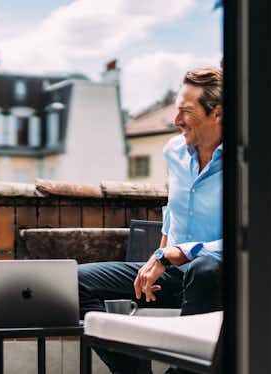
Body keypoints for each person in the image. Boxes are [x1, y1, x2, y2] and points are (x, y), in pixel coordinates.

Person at [78, 67, 223, 374]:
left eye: (186, 111)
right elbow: (173, 213)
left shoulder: (247, 160)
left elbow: (249, 237)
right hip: (174, 274)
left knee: (204, 267)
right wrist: (157, 258)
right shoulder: (174, 152)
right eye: (176, 111)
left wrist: (177, 253)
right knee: (75, 282)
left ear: (217, 114)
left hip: (218, 280)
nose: (176, 121)